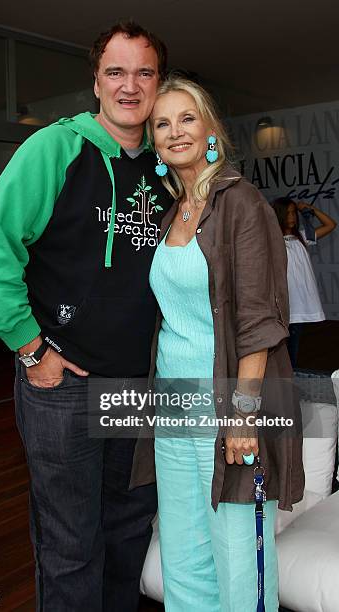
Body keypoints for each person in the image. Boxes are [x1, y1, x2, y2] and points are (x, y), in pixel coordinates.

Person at [0, 21, 172, 612]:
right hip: (63, 385)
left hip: (139, 387)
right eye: (116, 71)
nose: (129, 85)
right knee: (71, 547)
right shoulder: (55, 148)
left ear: (159, 83)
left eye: (144, 72)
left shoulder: (165, 168)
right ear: (96, 81)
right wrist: (32, 351)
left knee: (129, 535)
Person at [131, 75, 305, 611]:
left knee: (238, 552)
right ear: (154, 142)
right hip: (174, 405)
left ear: (210, 130)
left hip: (228, 403)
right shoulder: (166, 216)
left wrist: (242, 416)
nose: (174, 131)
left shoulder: (241, 203)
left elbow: (259, 320)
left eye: (186, 118)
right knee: (182, 553)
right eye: (162, 123)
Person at [272, 197, 336, 367]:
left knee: (293, 347)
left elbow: (330, 224)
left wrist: (308, 208)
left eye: (293, 213)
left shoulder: (302, 236)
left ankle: (290, 381)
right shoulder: (273, 240)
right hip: (285, 302)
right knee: (281, 349)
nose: (291, 217)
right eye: (287, 214)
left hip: (300, 304)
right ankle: (285, 383)